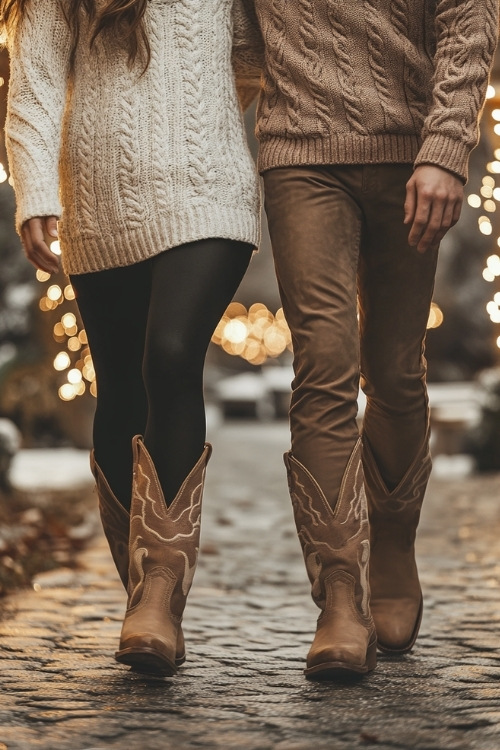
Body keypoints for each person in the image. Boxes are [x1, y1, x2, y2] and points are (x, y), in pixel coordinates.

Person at [1, 0, 260, 677]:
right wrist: (35, 192)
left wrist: (206, 114)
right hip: (99, 203)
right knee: (118, 389)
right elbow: (33, 87)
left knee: (170, 356)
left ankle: (157, 593)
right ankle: (142, 596)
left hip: (211, 194)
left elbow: (264, 52)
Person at [243, 0, 499, 678]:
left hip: (409, 152)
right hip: (298, 153)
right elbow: (234, 36)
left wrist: (446, 147)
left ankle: (392, 541)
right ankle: (338, 595)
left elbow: (469, 18)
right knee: (322, 360)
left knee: (394, 370)